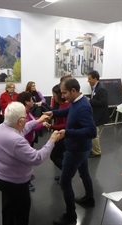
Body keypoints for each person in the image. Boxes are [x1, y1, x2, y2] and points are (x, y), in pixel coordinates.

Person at [0, 102, 61, 225]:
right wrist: (52, 140)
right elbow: (37, 158)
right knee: (21, 212)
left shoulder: (2, 127)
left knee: (8, 206)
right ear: (20, 121)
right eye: (25, 117)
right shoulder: (16, 140)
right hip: (13, 182)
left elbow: (22, 129)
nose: (27, 119)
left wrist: (37, 121)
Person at [45, 78, 97, 225]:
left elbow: (92, 131)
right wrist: (53, 114)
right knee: (84, 173)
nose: (63, 96)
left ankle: (70, 215)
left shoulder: (83, 106)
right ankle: (89, 198)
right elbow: (69, 110)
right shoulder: (76, 102)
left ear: (73, 91)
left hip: (76, 150)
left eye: (64, 93)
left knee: (64, 181)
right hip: (82, 147)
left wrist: (67, 132)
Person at [17, 91, 49, 191]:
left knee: (26, 161)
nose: (33, 101)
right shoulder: (23, 113)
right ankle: (26, 182)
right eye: (31, 100)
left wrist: (40, 119)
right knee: (25, 162)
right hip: (26, 139)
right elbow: (29, 127)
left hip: (29, 139)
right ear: (27, 102)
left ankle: (27, 177)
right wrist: (41, 124)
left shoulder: (26, 111)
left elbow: (32, 120)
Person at [49, 84, 70, 181]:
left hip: (62, 135)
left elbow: (65, 125)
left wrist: (52, 126)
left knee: (54, 156)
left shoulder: (66, 105)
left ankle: (66, 174)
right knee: (60, 155)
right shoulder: (62, 105)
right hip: (59, 133)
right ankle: (65, 174)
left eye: (54, 95)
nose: (53, 97)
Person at [87, 70, 109, 158]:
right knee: (94, 133)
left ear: (95, 79)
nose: (88, 81)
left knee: (95, 134)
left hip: (100, 116)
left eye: (89, 79)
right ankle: (94, 150)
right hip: (95, 115)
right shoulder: (95, 87)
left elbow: (103, 102)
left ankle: (97, 152)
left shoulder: (101, 88)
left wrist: (90, 101)